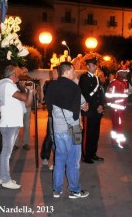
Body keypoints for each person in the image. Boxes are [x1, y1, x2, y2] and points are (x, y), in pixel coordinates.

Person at [45, 62, 89, 199]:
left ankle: (57, 190)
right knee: (74, 160)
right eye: (73, 71)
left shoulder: (51, 86)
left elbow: (48, 105)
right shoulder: (74, 87)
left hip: (58, 128)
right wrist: (83, 107)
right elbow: (83, 104)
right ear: (67, 71)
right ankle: (74, 190)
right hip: (73, 128)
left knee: (59, 159)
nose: (75, 73)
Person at [0, 65, 34, 189]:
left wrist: (29, 91)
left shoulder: (4, 85)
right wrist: (25, 89)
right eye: (18, 74)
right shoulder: (7, 85)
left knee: (5, 152)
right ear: (13, 75)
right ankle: (6, 180)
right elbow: (24, 98)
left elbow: (27, 104)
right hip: (10, 123)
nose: (19, 77)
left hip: (10, 122)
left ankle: (2, 177)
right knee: (7, 153)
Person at [79, 56, 106, 164]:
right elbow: (86, 95)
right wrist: (96, 106)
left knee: (95, 134)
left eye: (95, 65)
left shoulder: (96, 78)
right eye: (93, 65)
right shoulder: (84, 78)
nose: (95, 67)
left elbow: (101, 94)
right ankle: (86, 155)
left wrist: (101, 105)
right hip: (88, 111)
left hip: (96, 111)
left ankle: (93, 153)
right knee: (87, 134)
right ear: (88, 66)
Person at [105, 69, 129, 148]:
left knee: (116, 126)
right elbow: (108, 95)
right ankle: (121, 143)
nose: (126, 73)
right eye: (124, 72)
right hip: (116, 108)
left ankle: (114, 141)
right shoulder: (114, 83)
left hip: (120, 108)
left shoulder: (125, 83)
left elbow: (125, 96)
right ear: (120, 73)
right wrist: (110, 104)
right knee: (119, 126)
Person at [40, 66, 59, 169]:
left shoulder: (62, 84)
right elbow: (44, 99)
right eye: (53, 72)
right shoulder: (49, 84)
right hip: (52, 114)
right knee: (50, 136)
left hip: (61, 116)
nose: (53, 74)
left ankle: (57, 159)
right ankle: (45, 156)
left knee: (58, 137)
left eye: (55, 72)